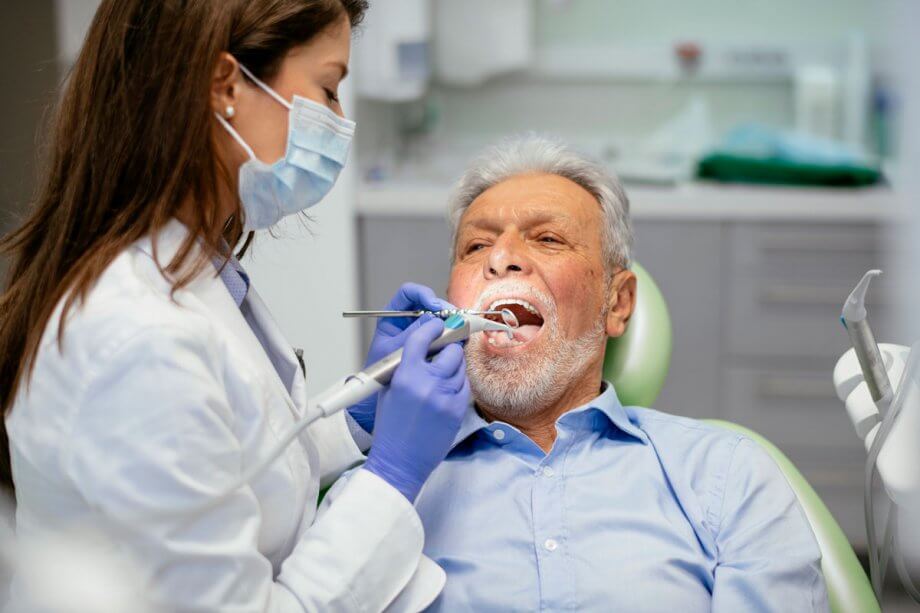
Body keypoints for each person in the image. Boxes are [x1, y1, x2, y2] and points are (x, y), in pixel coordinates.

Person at [0, 1, 469, 611]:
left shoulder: (196, 272)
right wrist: (392, 478)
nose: (337, 119)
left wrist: (360, 419)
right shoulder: (135, 339)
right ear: (226, 86)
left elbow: (239, 461)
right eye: (327, 89)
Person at [413, 135, 830, 611]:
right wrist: (383, 479)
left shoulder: (727, 475)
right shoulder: (391, 487)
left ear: (617, 303)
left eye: (548, 238)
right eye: (476, 245)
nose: (499, 258)